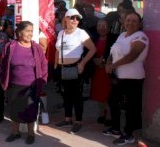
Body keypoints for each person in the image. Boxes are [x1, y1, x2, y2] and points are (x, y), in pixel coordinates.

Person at [0, 21, 48, 144]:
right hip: (14, 85)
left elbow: (44, 65)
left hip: (32, 86)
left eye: (32, 31)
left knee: (31, 109)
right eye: (28, 31)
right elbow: (3, 64)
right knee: (14, 108)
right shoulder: (10, 46)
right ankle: (15, 132)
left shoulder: (36, 48)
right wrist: (3, 80)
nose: (30, 34)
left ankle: (31, 133)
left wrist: (43, 81)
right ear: (20, 32)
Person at [104, 12, 148, 145]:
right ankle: (116, 128)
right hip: (120, 77)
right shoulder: (122, 35)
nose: (130, 23)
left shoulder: (141, 36)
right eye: (128, 20)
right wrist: (108, 64)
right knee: (113, 102)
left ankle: (130, 134)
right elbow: (113, 52)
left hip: (133, 77)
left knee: (131, 107)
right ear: (124, 22)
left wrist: (113, 65)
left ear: (140, 24)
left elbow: (133, 55)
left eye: (134, 21)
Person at [54, 9, 96, 134]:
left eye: (77, 18)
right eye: (72, 17)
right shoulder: (61, 32)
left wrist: (82, 63)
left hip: (75, 68)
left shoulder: (81, 33)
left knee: (77, 97)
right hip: (62, 69)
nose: (75, 20)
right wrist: (56, 65)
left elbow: (92, 49)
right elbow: (57, 50)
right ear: (66, 18)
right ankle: (67, 119)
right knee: (65, 95)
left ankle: (78, 122)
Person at [90, 19, 118, 126]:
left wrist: (106, 62)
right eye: (100, 25)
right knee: (99, 94)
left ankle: (109, 117)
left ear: (108, 27)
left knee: (108, 95)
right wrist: (94, 60)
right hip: (97, 72)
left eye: (105, 25)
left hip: (108, 72)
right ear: (96, 28)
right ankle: (102, 114)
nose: (102, 28)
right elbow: (89, 53)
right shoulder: (94, 39)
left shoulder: (114, 39)